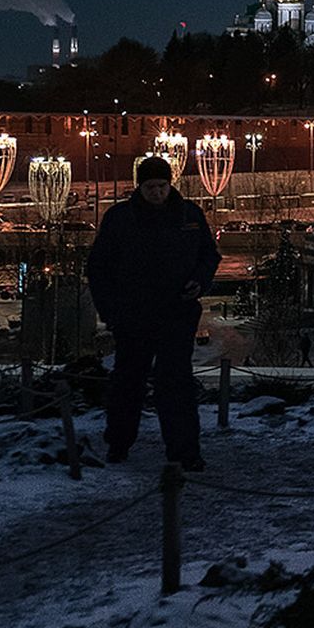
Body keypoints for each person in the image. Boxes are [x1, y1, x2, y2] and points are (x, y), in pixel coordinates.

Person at [87, 155, 219, 469]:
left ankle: (185, 452)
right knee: (128, 382)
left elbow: (209, 255)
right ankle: (118, 444)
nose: (157, 192)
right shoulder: (121, 218)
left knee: (176, 383)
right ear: (140, 187)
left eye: (161, 186)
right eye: (150, 187)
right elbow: (98, 267)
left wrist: (199, 282)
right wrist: (110, 312)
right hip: (134, 316)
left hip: (177, 313)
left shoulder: (190, 215)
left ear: (169, 184)